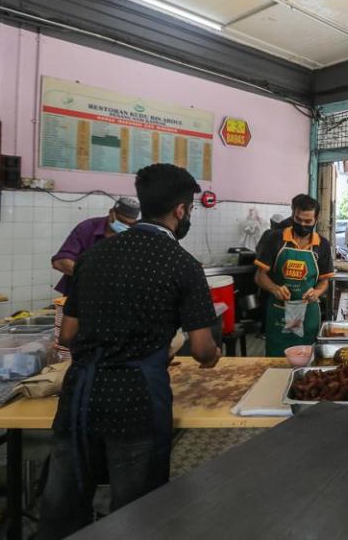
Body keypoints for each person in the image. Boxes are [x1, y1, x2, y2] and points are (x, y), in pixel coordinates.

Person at [38, 164, 221, 539]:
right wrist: (212, 352)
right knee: (138, 513)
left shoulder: (93, 256)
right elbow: (202, 349)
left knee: (62, 509)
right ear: (181, 211)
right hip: (135, 400)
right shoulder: (183, 264)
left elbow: (69, 333)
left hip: (79, 397)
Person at [255, 194, 334, 356]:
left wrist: (317, 292)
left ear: (316, 220)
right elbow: (259, 276)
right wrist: (274, 288)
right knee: (276, 362)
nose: (302, 225)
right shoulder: (275, 238)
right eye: (298, 220)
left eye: (308, 222)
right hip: (279, 314)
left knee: (307, 362)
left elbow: (324, 281)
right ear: (292, 215)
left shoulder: (322, 245)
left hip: (308, 315)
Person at [51, 197, 140, 294]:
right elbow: (60, 262)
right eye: (121, 221)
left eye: (130, 224)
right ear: (111, 212)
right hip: (80, 292)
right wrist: (95, 276)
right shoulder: (87, 228)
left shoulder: (134, 235)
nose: (125, 226)